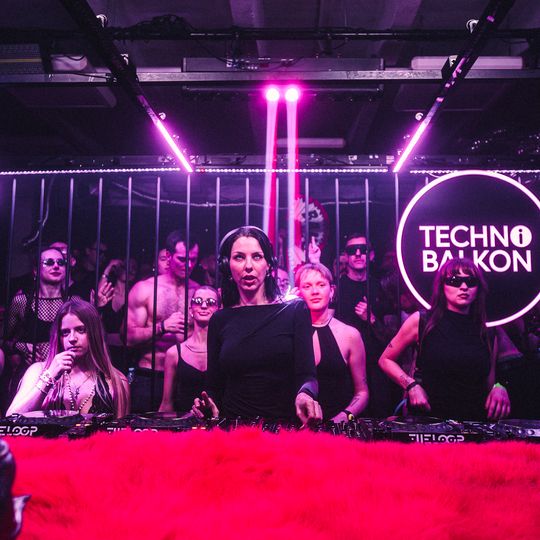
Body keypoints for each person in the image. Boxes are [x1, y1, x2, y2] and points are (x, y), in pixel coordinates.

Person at [192, 226, 321, 425]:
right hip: (232, 430)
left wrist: (305, 394)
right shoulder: (220, 319)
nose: (248, 266)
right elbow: (214, 385)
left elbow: (307, 375)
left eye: (257, 257)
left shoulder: (295, 311)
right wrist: (206, 403)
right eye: (239, 257)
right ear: (227, 266)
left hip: (283, 430)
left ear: (269, 264)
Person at [378, 258, 511, 421]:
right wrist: (411, 385)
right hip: (429, 421)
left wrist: (499, 387)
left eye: (470, 281)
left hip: (472, 423)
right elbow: (385, 360)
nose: (464, 287)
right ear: (442, 286)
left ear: (478, 288)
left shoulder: (487, 331)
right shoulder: (422, 321)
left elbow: (489, 383)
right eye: (455, 281)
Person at [7, 299, 129, 418]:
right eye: (65, 332)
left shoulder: (116, 381)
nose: (72, 338)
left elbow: (122, 430)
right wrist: (49, 378)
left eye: (80, 330)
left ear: (94, 333)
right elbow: (11, 417)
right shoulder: (38, 371)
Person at [127, 230, 200, 412]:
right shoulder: (145, 289)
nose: (189, 265)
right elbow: (129, 338)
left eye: (193, 259)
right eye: (182, 259)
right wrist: (162, 327)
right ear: (168, 256)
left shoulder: (198, 293)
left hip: (185, 378)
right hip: (151, 375)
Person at [295, 263, 369, 421]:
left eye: (321, 285)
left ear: (332, 291)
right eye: (307, 286)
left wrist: (345, 416)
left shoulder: (350, 335)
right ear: (299, 293)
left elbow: (362, 393)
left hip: (338, 428)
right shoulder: (288, 334)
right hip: (295, 427)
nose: (315, 291)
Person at [335, 233, 398, 417]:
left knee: (379, 420)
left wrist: (371, 319)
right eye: (352, 250)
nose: (357, 254)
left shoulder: (381, 288)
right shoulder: (336, 289)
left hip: (376, 367)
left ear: (371, 255)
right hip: (344, 368)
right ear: (345, 256)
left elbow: (394, 338)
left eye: (363, 250)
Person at [159, 286, 220, 414]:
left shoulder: (224, 351)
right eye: (198, 301)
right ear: (191, 309)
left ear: (218, 309)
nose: (204, 306)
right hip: (185, 423)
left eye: (210, 302)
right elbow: (166, 403)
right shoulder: (174, 353)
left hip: (218, 421)